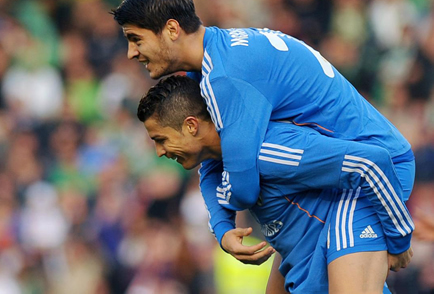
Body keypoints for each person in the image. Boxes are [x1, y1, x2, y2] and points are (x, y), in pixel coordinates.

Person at [111, 0, 415, 290]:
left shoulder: (225, 78)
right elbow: (214, 158)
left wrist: (400, 237)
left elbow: (243, 187)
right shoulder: (212, 65)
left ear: (172, 30)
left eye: (136, 39)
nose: (131, 53)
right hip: (340, 173)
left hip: (370, 170)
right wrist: (222, 225)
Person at [136, 75, 414, 293]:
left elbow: (369, 162)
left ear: (191, 125)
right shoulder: (219, 161)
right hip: (299, 263)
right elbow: (208, 176)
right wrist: (222, 230)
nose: (160, 151)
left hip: (341, 248)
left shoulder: (268, 152)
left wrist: (400, 237)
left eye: (161, 139)